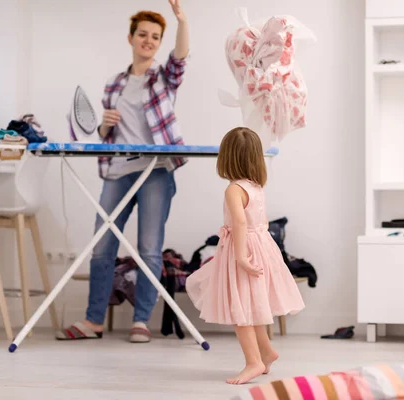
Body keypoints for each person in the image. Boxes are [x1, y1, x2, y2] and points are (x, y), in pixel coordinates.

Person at [56, 1, 189, 343]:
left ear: (160, 43)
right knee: (102, 246)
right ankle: (93, 320)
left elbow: (180, 58)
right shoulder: (113, 84)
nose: (148, 40)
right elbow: (102, 134)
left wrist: (181, 21)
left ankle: (141, 320)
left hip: (155, 171)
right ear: (130, 38)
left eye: (155, 37)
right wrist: (103, 126)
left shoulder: (163, 77)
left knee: (149, 248)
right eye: (142, 34)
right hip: (118, 170)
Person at [185, 127, 305, 385]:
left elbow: (239, 223)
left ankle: (253, 362)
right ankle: (266, 353)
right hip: (260, 246)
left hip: (243, 250)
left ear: (227, 157)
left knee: (239, 310)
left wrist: (240, 257)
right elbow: (258, 222)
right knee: (251, 307)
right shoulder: (256, 187)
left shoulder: (233, 189)